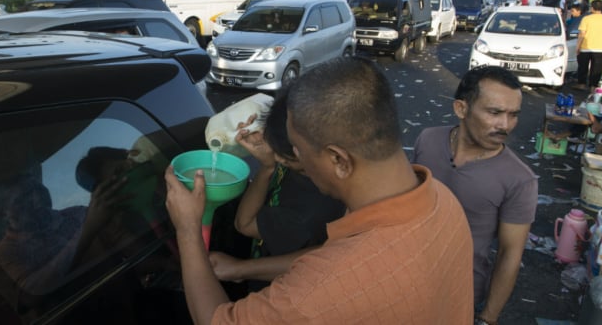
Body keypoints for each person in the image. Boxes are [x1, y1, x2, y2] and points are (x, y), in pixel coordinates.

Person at [164, 57, 474, 324]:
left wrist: (189, 228)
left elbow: (215, 319)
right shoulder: (444, 201)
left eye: (298, 151)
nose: (295, 159)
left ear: (339, 160)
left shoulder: (318, 294)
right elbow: (331, 257)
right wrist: (241, 269)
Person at [412, 66, 539, 325]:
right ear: (461, 108)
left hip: (460, 299)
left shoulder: (519, 179)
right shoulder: (428, 140)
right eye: (495, 112)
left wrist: (487, 318)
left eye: (513, 115)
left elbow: (509, 254)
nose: (505, 125)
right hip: (405, 280)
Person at [208, 89, 346, 292]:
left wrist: (267, 167)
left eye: (286, 159)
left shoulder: (306, 214)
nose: (280, 159)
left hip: (272, 289)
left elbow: (243, 224)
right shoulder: (308, 157)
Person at [575, 0, 602, 90]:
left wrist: (578, 46)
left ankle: (581, 84)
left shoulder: (586, 18)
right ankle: (593, 87)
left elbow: (582, 34)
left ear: (592, 7)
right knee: (597, 69)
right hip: (600, 48)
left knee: (583, 67)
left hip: (585, 47)